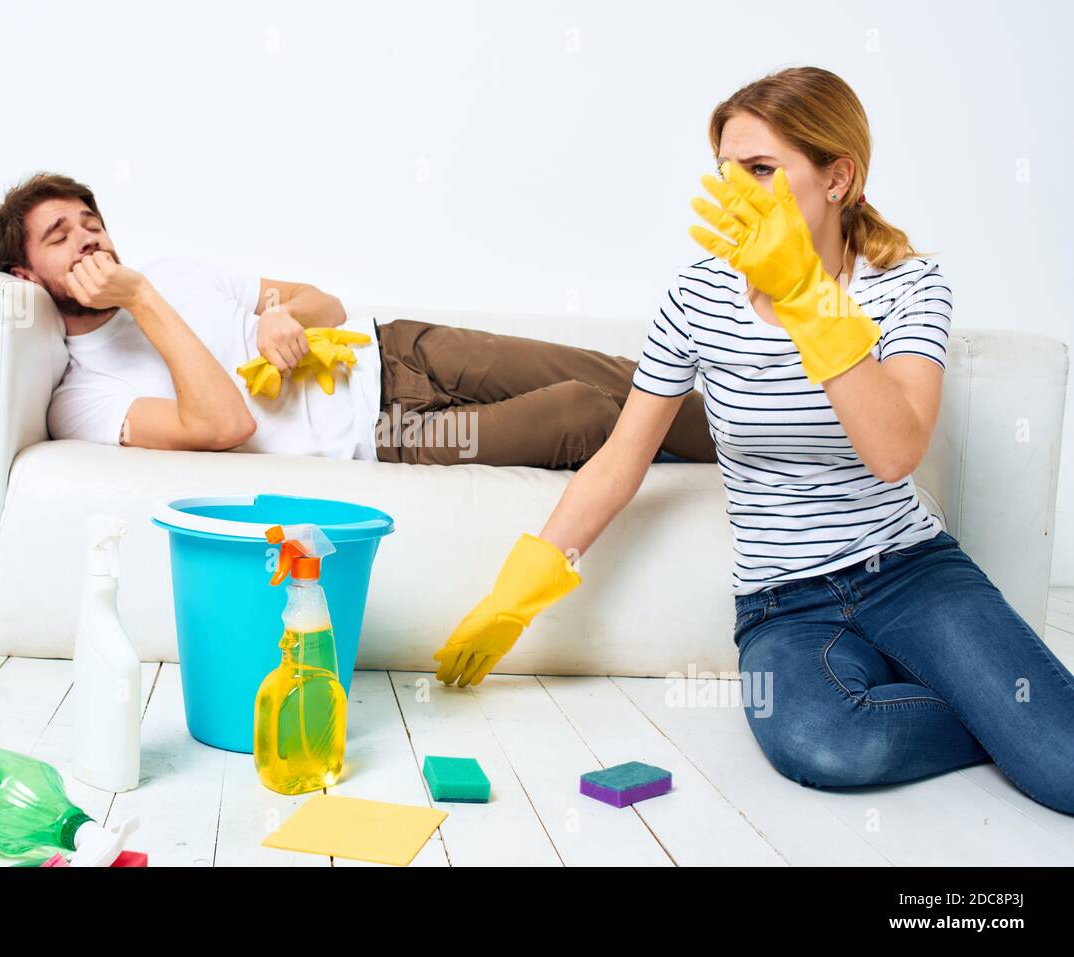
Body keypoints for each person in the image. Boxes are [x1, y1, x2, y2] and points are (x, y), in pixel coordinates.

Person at [433, 66, 1074, 815]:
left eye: (762, 170)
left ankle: (1021, 720)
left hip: (911, 575)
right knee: (829, 744)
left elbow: (895, 451)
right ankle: (998, 717)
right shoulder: (697, 294)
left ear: (839, 178)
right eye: (725, 173)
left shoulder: (907, 286)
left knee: (1063, 768)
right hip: (784, 605)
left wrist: (808, 300)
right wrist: (518, 591)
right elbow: (620, 458)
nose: (737, 194)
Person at [0, 174, 716, 468]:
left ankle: (789, 433)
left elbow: (321, 302)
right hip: (389, 435)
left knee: (613, 372)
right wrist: (136, 298)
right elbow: (220, 424)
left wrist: (274, 314)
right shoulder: (81, 397)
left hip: (396, 346)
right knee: (583, 413)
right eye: (61, 237)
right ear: (27, 278)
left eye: (91, 221)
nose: (89, 239)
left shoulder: (173, 269)